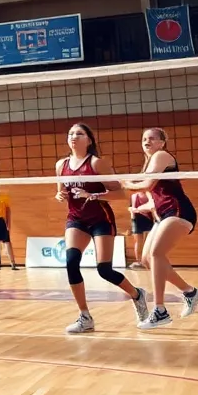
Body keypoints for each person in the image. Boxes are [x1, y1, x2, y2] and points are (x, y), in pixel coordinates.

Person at [55, 123, 148, 334]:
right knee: (71, 263)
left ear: (89, 140)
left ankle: (137, 295)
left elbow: (119, 193)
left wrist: (93, 196)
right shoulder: (61, 165)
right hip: (76, 219)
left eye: (79, 133)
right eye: (70, 133)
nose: (74, 136)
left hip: (100, 219)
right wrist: (59, 195)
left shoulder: (97, 164)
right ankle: (85, 316)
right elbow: (61, 192)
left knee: (104, 270)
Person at [123, 128, 198, 328]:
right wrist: (139, 207)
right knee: (145, 258)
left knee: (157, 254)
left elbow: (147, 185)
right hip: (163, 214)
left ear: (162, 142)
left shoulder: (161, 155)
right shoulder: (149, 163)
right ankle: (190, 292)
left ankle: (160, 310)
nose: (147, 141)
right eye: (144, 139)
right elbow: (154, 197)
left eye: (152, 138)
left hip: (179, 211)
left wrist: (122, 182)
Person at [127, 191, 156, 268]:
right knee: (138, 241)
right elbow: (130, 207)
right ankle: (139, 261)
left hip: (148, 219)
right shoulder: (133, 196)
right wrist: (132, 212)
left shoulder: (149, 194)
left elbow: (152, 207)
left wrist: (140, 210)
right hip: (136, 219)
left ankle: (147, 260)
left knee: (148, 240)